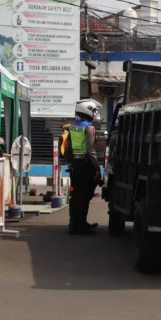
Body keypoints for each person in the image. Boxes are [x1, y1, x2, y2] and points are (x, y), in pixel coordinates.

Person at [66, 99, 102, 235]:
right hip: (86, 166)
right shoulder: (89, 127)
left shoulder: (73, 126)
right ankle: (81, 226)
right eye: (93, 111)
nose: (95, 113)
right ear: (87, 110)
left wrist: (71, 162)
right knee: (85, 196)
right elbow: (91, 150)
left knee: (75, 196)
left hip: (76, 165)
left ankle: (74, 223)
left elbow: (68, 148)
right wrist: (97, 168)